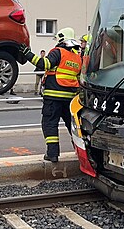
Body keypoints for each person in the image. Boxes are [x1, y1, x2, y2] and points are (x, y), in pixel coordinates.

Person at [19, 27, 82, 163]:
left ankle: (52, 153)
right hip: (70, 99)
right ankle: (81, 152)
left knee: (50, 124)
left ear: (61, 39)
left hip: (53, 96)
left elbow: (43, 64)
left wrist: (27, 54)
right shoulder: (77, 57)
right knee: (72, 127)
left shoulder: (58, 52)